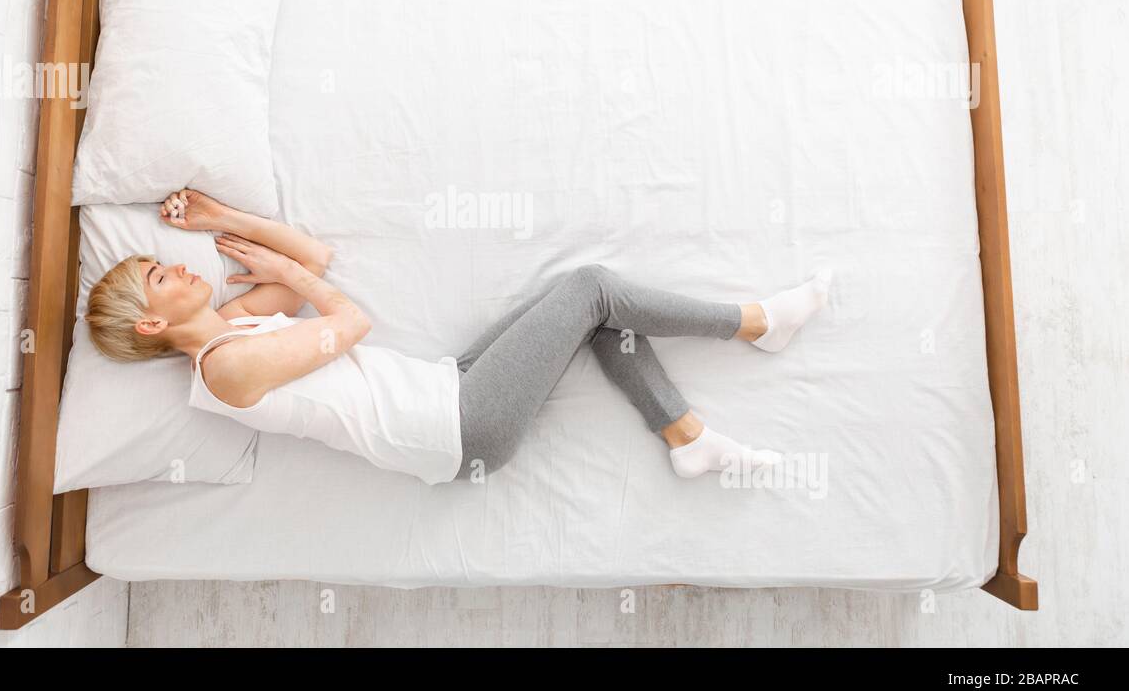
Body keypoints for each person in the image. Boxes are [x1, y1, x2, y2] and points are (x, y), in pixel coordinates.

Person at [86, 190, 830, 485]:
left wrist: (226, 220)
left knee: (599, 310)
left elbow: (315, 260)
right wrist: (292, 276)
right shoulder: (224, 373)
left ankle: (687, 436)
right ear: (153, 324)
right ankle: (756, 323)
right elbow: (349, 324)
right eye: (160, 277)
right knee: (592, 287)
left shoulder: (239, 327)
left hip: (450, 389)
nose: (179, 271)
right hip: (456, 428)